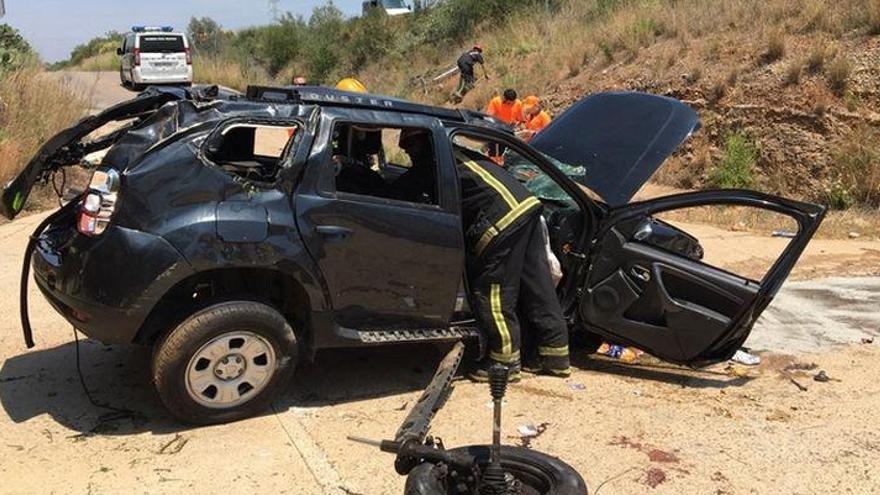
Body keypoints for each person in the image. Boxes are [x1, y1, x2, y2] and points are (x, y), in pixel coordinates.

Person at [453, 145, 571, 382]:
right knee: (537, 286)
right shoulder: (458, 152)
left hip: (503, 218)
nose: (407, 151)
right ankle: (554, 358)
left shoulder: (435, 158)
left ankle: (503, 363)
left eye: (409, 147)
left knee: (494, 291)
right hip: (526, 209)